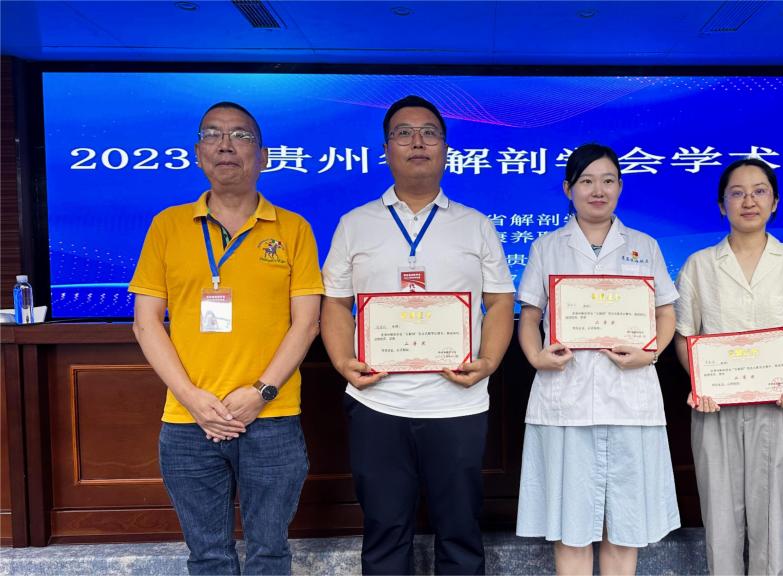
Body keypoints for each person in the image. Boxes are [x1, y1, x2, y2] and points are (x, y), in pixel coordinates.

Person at [320, 95, 516, 575]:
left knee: (460, 530)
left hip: (457, 404)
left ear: (446, 148)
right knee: (384, 531)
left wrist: (489, 362)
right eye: (403, 133)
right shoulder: (354, 224)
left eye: (429, 132)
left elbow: (500, 303)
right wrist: (343, 361)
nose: (417, 142)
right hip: (377, 403)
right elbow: (336, 303)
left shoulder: (476, 225)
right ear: (386, 149)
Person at [129, 101, 324, 575]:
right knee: (208, 557)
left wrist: (260, 393)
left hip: (271, 418)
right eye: (212, 135)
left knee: (269, 553)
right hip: (188, 420)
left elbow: (306, 323)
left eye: (240, 135)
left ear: (263, 156)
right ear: (197, 154)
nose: (225, 145)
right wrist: (192, 398)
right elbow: (146, 322)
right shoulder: (167, 225)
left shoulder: (294, 229)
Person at [515, 143, 681, 575]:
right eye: (586, 181)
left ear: (620, 187)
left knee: (625, 526)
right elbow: (529, 316)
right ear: (568, 189)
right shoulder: (547, 247)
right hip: (565, 401)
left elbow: (666, 313)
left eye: (608, 180)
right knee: (570, 529)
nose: (598, 190)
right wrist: (536, 356)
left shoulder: (644, 245)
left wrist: (650, 353)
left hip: (630, 402)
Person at [674, 158, 783, 575]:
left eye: (759, 192)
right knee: (720, 516)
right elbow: (684, 335)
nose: (748, 201)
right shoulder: (699, 264)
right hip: (715, 408)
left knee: (773, 518)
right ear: (721, 205)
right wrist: (701, 382)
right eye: (736, 193)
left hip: (781, 405)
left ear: (775, 202)